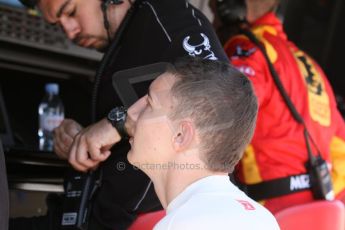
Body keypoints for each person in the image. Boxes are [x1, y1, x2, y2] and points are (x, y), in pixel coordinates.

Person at [12, 0, 229, 229]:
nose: (69, 30)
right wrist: (81, 136)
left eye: (71, 12)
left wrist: (115, 125)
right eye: (58, 24)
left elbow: (220, 97)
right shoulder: (122, 43)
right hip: (90, 215)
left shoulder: (166, 14)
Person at [68, 57, 280, 229]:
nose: (132, 114)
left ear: (181, 135)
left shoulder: (182, 224)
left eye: (149, 103)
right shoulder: (263, 219)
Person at [211, 0, 345, 214]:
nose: (212, 21)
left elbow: (219, 117)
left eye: (213, 11)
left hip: (269, 211)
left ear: (231, 10)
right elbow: (341, 149)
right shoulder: (311, 67)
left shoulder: (249, 48)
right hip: (322, 212)